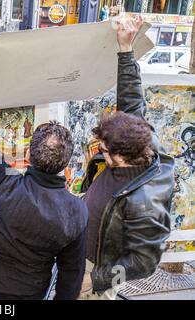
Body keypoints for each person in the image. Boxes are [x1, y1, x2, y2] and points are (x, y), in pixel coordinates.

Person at [0, 34, 88, 300]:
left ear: (28, 154)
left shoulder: (1, 182)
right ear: (65, 165)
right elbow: (71, 277)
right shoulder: (75, 212)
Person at [79, 16, 173, 300]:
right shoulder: (140, 140)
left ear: (120, 156)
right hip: (82, 255)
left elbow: (144, 262)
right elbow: (132, 101)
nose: (99, 151)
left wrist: (96, 280)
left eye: (104, 150)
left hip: (96, 271)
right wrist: (125, 49)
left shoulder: (146, 203)